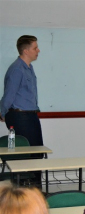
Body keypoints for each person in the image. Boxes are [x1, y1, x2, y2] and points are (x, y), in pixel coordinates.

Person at [0, 35, 43, 187]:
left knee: (37, 152)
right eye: (35, 48)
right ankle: (26, 189)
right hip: (20, 116)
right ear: (25, 51)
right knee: (26, 154)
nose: (38, 50)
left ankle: (36, 189)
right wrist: (3, 112)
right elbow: (9, 95)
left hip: (30, 115)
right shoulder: (17, 69)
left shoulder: (29, 68)